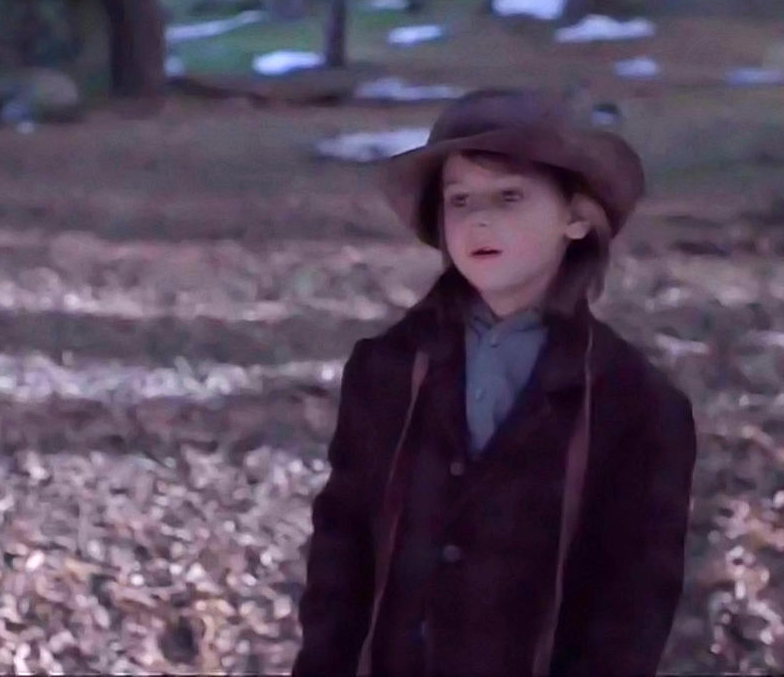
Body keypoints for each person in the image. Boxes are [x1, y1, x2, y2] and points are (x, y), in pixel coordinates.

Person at [291, 88, 698, 677]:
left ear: (576, 217)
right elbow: (340, 558)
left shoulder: (635, 403)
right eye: (459, 200)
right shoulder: (387, 371)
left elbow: (632, 607)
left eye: (510, 196)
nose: (479, 219)